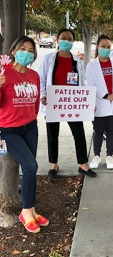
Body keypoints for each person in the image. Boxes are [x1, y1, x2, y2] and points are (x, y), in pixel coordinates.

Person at [0, 36, 49, 233]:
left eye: (30, 50)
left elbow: (35, 102)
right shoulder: (4, 74)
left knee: (30, 169)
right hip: (8, 130)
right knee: (31, 165)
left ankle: (31, 208)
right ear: (13, 51)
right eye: (22, 48)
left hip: (30, 127)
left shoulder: (34, 76)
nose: (26, 53)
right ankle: (25, 212)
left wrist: (33, 118)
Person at [39, 28, 97, 180]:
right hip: (53, 104)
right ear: (57, 40)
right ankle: (54, 164)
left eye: (70, 39)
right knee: (53, 135)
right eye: (63, 38)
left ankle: (83, 165)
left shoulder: (77, 62)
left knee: (79, 133)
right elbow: (42, 80)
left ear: (73, 42)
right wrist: (43, 95)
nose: (66, 41)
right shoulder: (48, 59)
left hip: (72, 103)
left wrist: (87, 101)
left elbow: (82, 84)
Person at [87, 35, 113, 170]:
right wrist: (106, 96)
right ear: (97, 47)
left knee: (112, 131)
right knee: (97, 131)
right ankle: (96, 155)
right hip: (99, 104)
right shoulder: (92, 65)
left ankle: (109, 156)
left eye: (108, 47)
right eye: (103, 46)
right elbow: (90, 84)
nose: (106, 49)